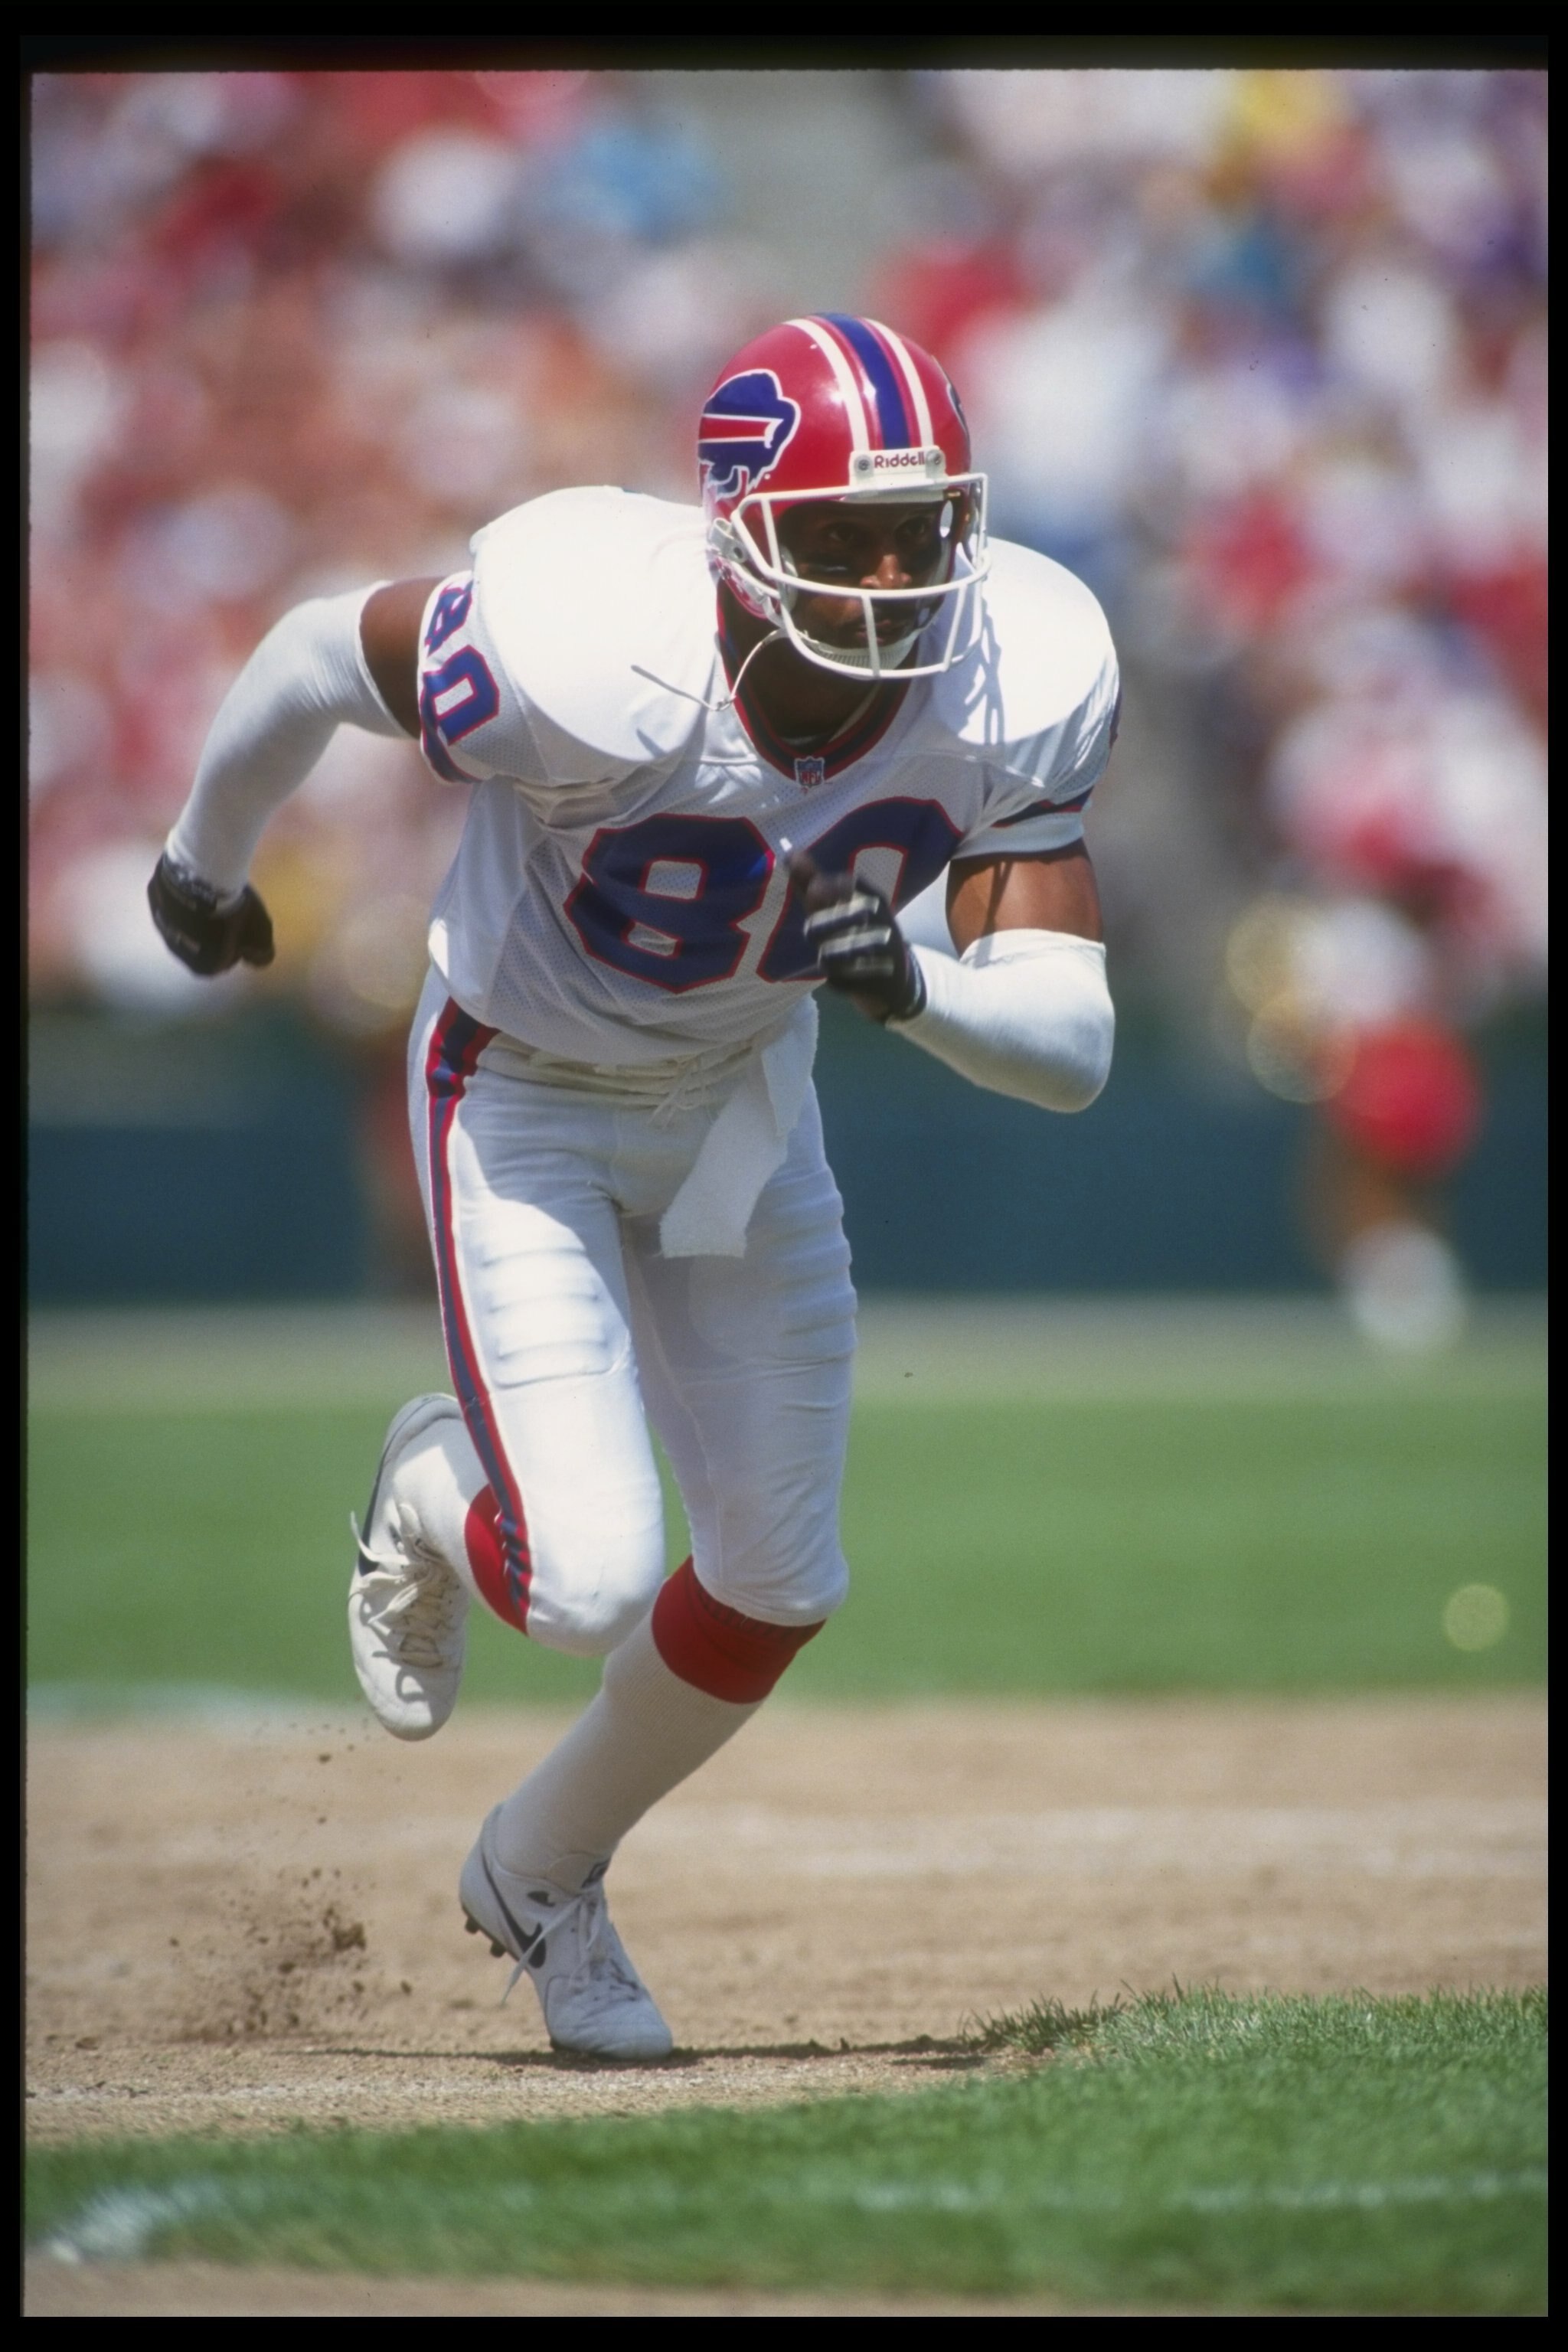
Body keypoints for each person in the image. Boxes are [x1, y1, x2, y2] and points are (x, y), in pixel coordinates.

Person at [148, 313, 1119, 2062]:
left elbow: (1071, 1045)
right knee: (590, 1580)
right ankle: (431, 1479)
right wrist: (201, 861)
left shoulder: (1023, 661)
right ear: (738, 528)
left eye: (925, 528)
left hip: (741, 1096)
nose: (895, 578)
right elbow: (312, 652)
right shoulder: (588, 643)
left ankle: (544, 1874)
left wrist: (915, 988)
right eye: (841, 536)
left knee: (777, 1576)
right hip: (523, 1088)